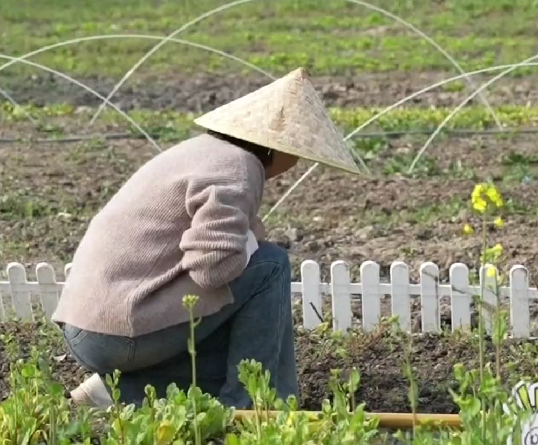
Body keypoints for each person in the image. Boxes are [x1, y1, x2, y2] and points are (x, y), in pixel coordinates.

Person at [52, 68, 360, 409]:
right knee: (270, 265)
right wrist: (251, 244)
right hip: (119, 331)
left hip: (87, 327)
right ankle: (256, 406)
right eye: (298, 152)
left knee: (228, 357)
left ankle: (118, 393)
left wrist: (246, 240)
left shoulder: (202, 151)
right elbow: (212, 269)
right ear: (278, 145)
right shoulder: (238, 167)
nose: (297, 162)